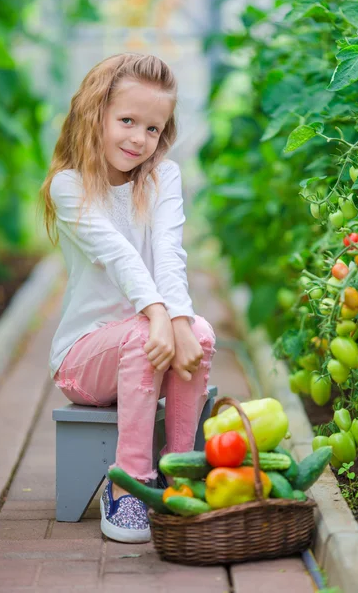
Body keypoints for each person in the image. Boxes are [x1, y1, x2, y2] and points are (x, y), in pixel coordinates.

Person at [39, 52, 216, 544]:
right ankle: (131, 483)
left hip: (149, 345)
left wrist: (177, 320)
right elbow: (119, 257)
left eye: (154, 129)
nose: (140, 139)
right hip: (84, 358)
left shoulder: (163, 178)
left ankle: (177, 474)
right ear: (94, 113)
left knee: (199, 332)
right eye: (127, 121)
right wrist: (158, 314)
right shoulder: (69, 187)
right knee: (147, 333)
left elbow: (168, 254)